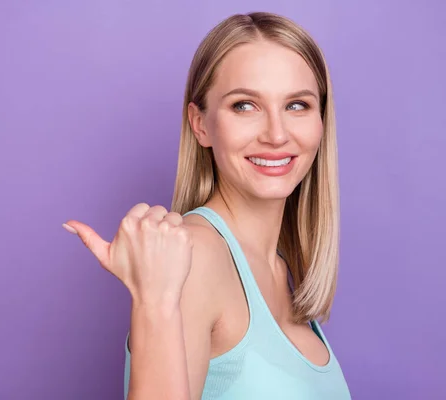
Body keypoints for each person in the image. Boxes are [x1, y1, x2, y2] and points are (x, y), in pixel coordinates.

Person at [63, 11, 351, 400]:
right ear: (200, 124)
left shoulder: (281, 269)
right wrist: (156, 301)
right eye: (245, 106)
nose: (277, 134)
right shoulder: (195, 257)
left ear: (321, 119)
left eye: (297, 105)